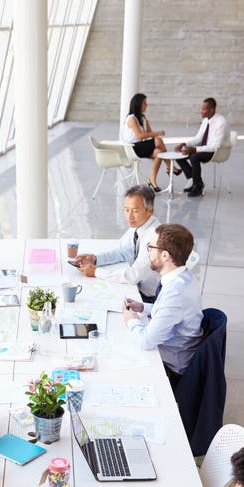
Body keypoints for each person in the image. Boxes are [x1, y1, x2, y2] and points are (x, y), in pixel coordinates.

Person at [122, 223, 203, 377]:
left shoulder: (175, 293)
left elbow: (146, 342)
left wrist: (131, 320)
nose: (148, 253)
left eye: (150, 248)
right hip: (176, 349)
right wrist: (142, 307)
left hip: (171, 365)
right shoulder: (184, 276)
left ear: (165, 255)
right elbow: (174, 312)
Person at [72, 185, 160, 300]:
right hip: (135, 286)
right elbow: (122, 251)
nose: (129, 216)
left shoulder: (154, 237)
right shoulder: (139, 225)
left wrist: (96, 272)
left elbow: (133, 276)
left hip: (147, 296)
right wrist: (95, 259)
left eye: (135, 210)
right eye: (126, 209)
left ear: (149, 210)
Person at [175, 97, 230, 198]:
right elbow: (198, 138)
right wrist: (185, 144)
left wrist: (195, 149)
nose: (201, 112)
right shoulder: (206, 120)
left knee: (194, 157)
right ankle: (195, 180)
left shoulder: (221, 123)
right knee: (180, 154)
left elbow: (214, 147)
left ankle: (198, 187)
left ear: (212, 110)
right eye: (201, 109)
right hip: (205, 148)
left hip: (217, 151)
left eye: (204, 109)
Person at [120, 93, 172, 192]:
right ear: (138, 104)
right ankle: (170, 166)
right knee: (158, 140)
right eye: (144, 103)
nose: (146, 105)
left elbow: (150, 134)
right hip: (132, 148)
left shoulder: (143, 118)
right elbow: (140, 135)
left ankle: (152, 179)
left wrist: (153, 132)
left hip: (141, 147)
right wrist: (158, 134)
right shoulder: (131, 118)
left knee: (159, 153)